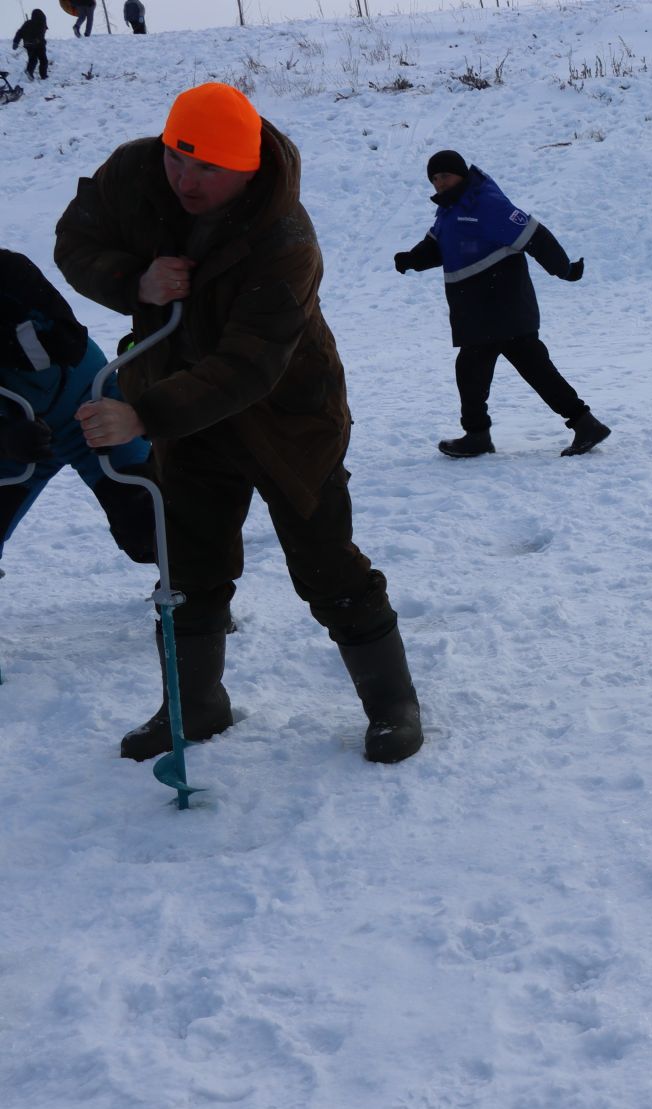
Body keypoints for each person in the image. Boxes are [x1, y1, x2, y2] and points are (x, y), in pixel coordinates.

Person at [54, 81, 424, 764]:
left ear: (247, 167)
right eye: (177, 159)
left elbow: (249, 365)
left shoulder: (286, 240)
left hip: (287, 419)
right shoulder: (137, 174)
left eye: (207, 169)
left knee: (325, 564)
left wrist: (143, 414)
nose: (185, 181)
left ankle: (393, 704)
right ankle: (195, 706)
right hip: (186, 415)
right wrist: (133, 280)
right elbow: (75, 241)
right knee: (189, 562)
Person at [393, 150, 610, 459]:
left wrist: (565, 270)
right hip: (478, 312)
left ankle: (480, 434)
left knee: (485, 369)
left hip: (503, 307)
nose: (440, 183)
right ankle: (580, 423)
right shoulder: (450, 211)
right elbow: (438, 246)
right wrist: (412, 259)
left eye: (445, 176)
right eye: (435, 178)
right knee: (505, 370)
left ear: (461, 175)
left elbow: (536, 237)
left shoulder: (486, 204)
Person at [0, 249, 156, 569]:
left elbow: (70, 342)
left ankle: (195, 608)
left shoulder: (9, 273)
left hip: (92, 405)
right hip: (14, 437)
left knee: (149, 520)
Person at [11, 10, 49, 81]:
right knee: (43, 60)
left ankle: (29, 71)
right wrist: (37, 40)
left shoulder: (27, 23)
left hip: (28, 45)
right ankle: (43, 76)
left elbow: (20, 32)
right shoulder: (41, 23)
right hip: (39, 44)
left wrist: (15, 42)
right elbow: (41, 34)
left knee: (33, 59)